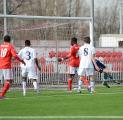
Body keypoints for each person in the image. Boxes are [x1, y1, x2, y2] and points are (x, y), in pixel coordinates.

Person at [0, 35, 25, 99]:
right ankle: (1, 95)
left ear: (4, 40)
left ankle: (2, 94)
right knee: (9, 80)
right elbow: (15, 56)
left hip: (0, 64)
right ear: (10, 40)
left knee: (5, 80)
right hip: (6, 65)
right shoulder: (10, 46)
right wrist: (21, 61)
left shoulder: (0, 46)